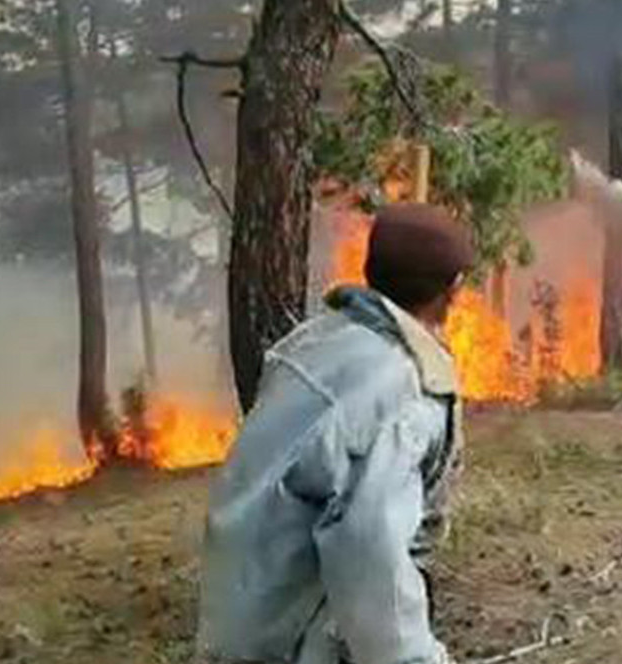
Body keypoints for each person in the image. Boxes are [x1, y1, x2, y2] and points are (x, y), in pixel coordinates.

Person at [198, 203, 473, 664]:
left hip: (243, 612)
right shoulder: (399, 392)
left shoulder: (312, 343)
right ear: (454, 290)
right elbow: (369, 545)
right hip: (295, 635)